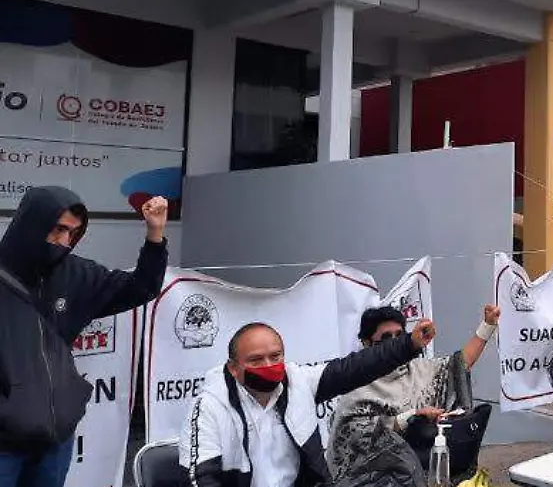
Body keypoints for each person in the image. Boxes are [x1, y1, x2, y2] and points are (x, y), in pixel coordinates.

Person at [0, 187, 169, 487]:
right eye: (58, 229)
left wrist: (155, 235)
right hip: (5, 444)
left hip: (55, 437)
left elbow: (141, 287)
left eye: (73, 233)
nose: (64, 241)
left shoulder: (76, 273)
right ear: (32, 224)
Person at [181, 319, 434, 487]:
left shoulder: (298, 382)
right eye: (256, 360)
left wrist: (408, 344)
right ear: (233, 368)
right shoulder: (210, 406)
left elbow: (355, 368)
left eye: (275, 356)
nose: (269, 366)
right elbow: (201, 479)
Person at [327, 303, 500, 483]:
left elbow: (460, 364)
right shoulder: (356, 387)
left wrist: (487, 325)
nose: (394, 344)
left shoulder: (420, 370)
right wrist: (410, 418)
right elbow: (354, 437)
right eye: (386, 339)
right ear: (367, 344)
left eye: (399, 336)